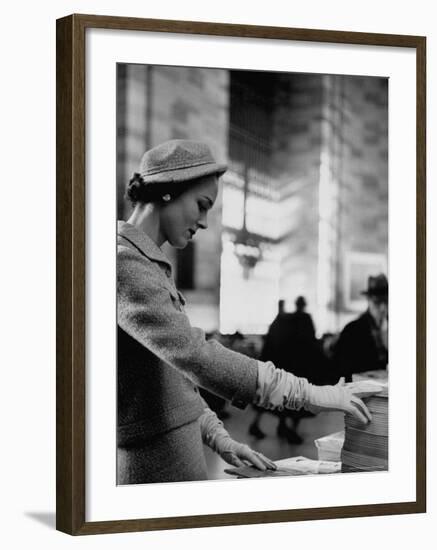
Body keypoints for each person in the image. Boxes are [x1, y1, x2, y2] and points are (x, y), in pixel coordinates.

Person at [117, 139, 380, 484]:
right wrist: (310, 393)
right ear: (168, 191)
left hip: (179, 455)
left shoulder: (149, 264)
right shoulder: (124, 263)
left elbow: (173, 378)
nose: (205, 221)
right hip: (151, 468)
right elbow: (196, 356)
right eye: (202, 205)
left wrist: (220, 439)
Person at [248, 297, 318, 444]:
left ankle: (278, 426)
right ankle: (288, 429)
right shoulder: (301, 319)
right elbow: (308, 343)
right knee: (291, 398)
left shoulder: (285, 319)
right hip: (294, 365)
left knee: (276, 397)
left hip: (282, 364)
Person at [333, 274, 388, 383]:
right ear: (369, 301)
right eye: (377, 302)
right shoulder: (352, 330)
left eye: (386, 302)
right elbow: (342, 373)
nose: (383, 308)